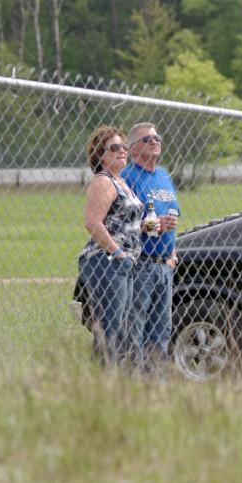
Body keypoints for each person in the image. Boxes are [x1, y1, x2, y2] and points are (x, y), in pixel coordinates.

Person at [77, 126, 143, 366]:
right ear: (100, 154)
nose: (122, 151)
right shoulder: (103, 182)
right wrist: (117, 252)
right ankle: (102, 379)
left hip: (123, 262)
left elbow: (123, 222)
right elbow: (92, 223)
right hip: (106, 261)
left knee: (121, 325)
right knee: (110, 327)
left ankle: (112, 377)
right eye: (114, 148)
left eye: (124, 147)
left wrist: (147, 226)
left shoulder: (121, 182)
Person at [122, 122, 180, 372]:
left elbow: (173, 218)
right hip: (141, 263)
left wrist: (173, 255)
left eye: (157, 137)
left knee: (161, 329)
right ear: (134, 149)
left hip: (164, 264)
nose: (155, 141)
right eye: (148, 139)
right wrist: (155, 226)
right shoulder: (128, 178)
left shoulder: (164, 176)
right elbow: (121, 223)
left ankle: (155, 379)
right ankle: (132, 378)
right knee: (135, 327)